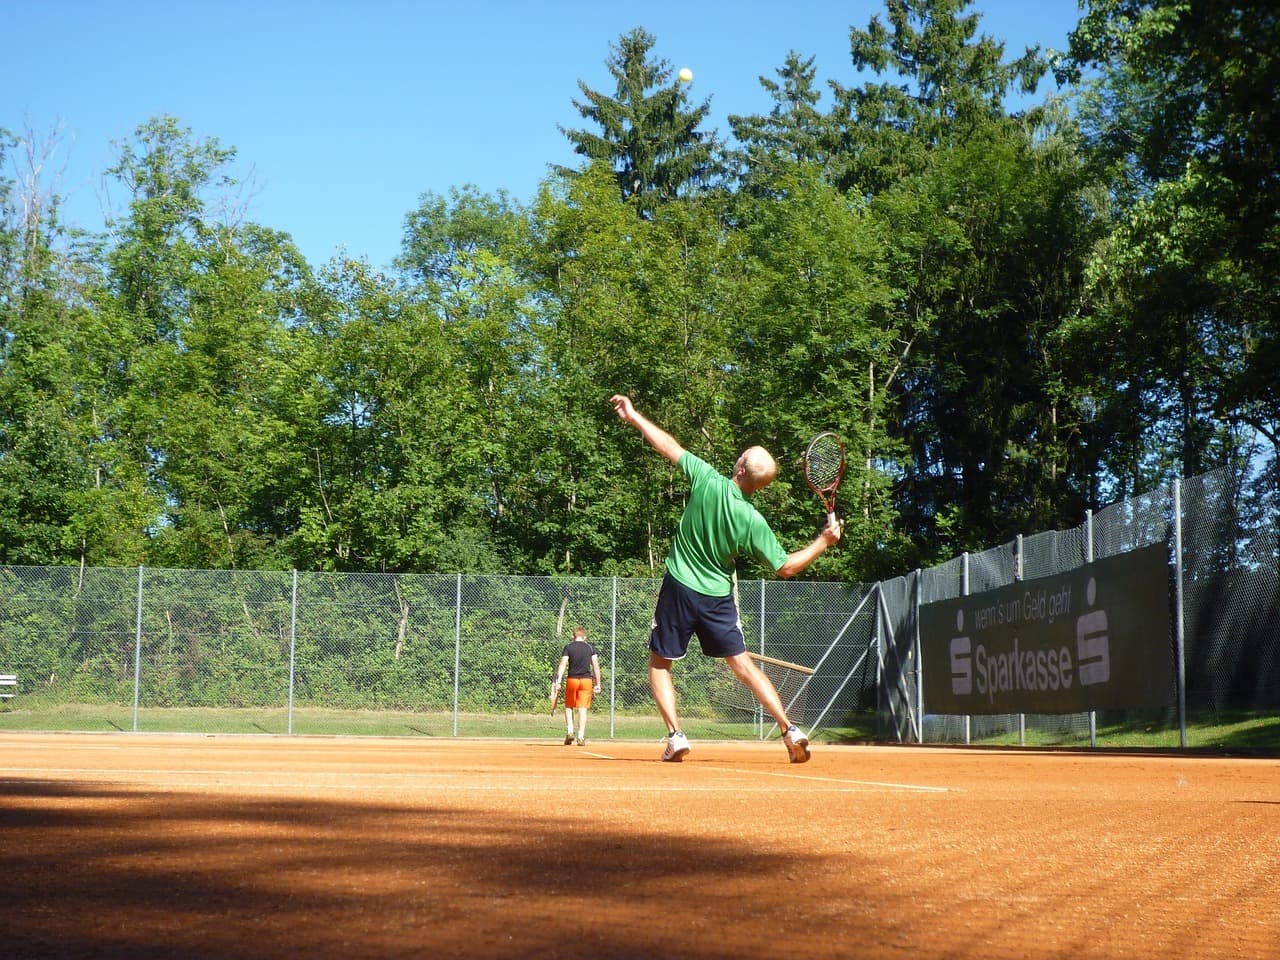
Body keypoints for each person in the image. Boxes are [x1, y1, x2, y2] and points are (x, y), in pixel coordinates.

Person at [609, 394, 842, 764]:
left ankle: (676, 735)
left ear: (739, 468)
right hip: (717, 597)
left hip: (680, 587)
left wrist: (634, 416)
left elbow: (668, 446)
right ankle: (789, 728)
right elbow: (786, 567)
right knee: (743, 665)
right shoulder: (752, 521)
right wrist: (824, 541)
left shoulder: (707, 480)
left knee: (659, 664)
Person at [553, 625, 602, 746]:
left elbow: (562, 665)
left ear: (573, 636)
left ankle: (570, 732)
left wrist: (558, 681)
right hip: (586, 681)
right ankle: (580, 736)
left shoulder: (568, 647)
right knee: (582, 708)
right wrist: (598, 684)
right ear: (584, 636)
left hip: (572, 680)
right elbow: (595, 666)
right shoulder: (590, 648)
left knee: (569, 706)